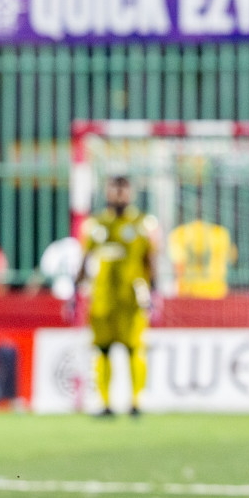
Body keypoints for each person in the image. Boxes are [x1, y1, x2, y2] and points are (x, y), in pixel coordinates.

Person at [76, 176, 157, 417]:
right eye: (115, 189)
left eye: (123, 189)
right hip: (102, 298)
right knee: (102, 349)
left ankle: (136, 402)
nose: (119, 194)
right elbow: (84, 259)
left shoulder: (143, 224)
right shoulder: (95, 224)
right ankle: (104, 403)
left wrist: (154, 292)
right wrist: (75, 290)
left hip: (131, 298)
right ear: (107, 192)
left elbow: (150, 260)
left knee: (135, 348)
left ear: (131, 193)